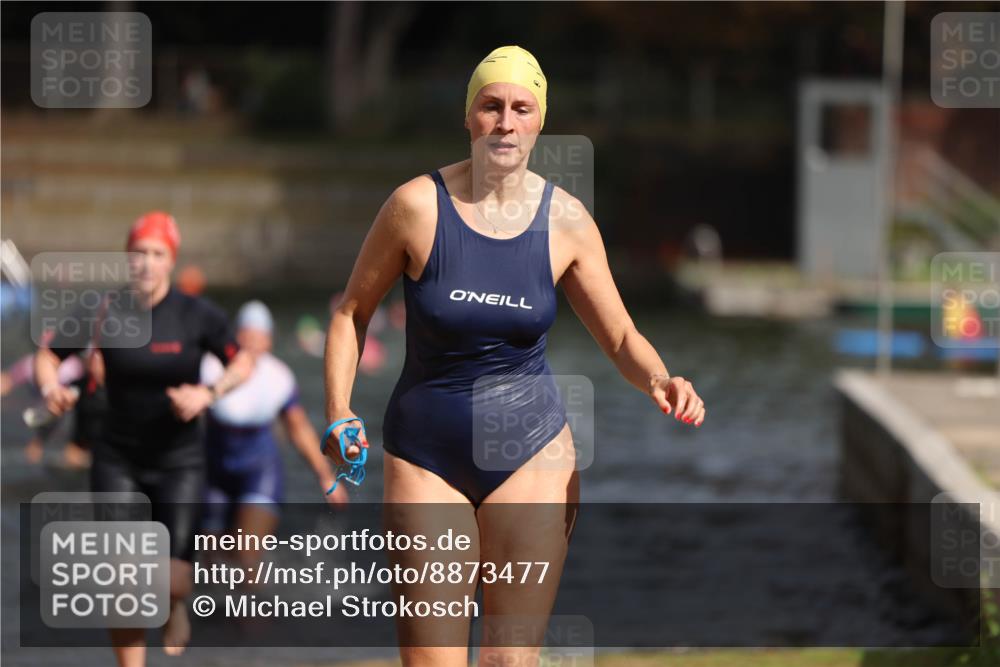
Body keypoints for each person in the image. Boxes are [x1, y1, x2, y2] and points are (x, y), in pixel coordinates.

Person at [323, 45, 706, 666]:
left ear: (539, 121)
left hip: (530, 452)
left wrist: (661, 379)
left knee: (509, 661)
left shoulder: (568, 222)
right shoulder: (415, 208)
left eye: (520, 108)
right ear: (468, 117)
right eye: (490, 106)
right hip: (425, 456)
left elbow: (620, 337)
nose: (505, 121)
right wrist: (339, 409)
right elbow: (349, 315)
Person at [35, 211, 254, 666]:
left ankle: (174, 605)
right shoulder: (103, 309)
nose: (146, 263)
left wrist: (207, 392)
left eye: (157, 254)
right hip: (117, 458)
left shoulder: (198, 315)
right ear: (127, 258)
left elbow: (243, 361)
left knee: (171, 580)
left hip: (180, 460)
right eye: (139, 253)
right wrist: (51, 387)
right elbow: (48, 354)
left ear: (171, 261)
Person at [200, 300, 347, 572]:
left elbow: (299, 429)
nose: (252, 343)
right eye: (246, 335)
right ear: (235, 335)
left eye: (260, 337)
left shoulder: (278, 377)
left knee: (246, 557)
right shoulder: (209, 367)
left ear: (269, 341)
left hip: (259, 471)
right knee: (212, 564)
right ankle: (216, 614)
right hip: (214, 472)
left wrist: (326, 476)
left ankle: (254, 612)